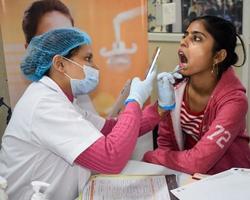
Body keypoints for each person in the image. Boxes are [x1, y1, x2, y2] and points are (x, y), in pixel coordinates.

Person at [0, 28, 161, 200]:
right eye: (87, 59)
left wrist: (160, 110)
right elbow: (110, 159)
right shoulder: (45, 105)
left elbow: (109, 128)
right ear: (60, 64)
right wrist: (135, 100)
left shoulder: (60, 98)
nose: (95, 67)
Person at [143, 15, 250, 175]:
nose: (183, 42)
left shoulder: (235, 101)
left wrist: (153, 157)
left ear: (218, 56)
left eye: (197, 38)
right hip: (190, 178)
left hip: (230, 181)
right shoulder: (175, 87)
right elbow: (166, 142)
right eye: (185, 35)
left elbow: (198, 162)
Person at [22, 0, 97, 113]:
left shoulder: (77, 92)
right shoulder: (42, 103)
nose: (65, 48)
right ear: (30, 50)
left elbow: (100, 128)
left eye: (69, 39)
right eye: (52, 40)